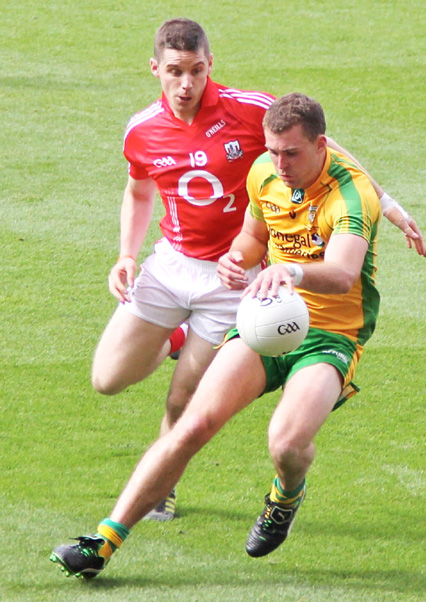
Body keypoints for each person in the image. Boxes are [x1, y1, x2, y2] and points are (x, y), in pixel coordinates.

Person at [86, 17, 425, 523]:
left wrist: (391, 206)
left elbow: (328, 152)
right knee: (107, 379)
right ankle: (175, 337)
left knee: (185, 399)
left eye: (196, 71)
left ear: (209, 66)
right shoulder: (141, 130)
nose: (186, 84)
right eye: (175, 72)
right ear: (155, 68)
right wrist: (126, 254)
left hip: (236, 278)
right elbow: (139, 190)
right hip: (171, 265)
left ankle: (162, 492)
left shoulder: (250, 110)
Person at [51, 92, 398, 577]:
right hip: (264, 319)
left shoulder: (351, 194)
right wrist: (236, 258)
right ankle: (103, 541)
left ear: (321, 146)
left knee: (286, 445)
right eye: (272, 151)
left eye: (291, 154)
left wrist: (291, 273)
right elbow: (253, 236)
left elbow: (342, 274)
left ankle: (286, 495)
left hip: (329, 337)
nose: (279, 163)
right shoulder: (265, 172)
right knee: (193, 424)